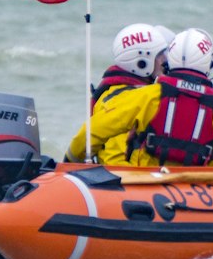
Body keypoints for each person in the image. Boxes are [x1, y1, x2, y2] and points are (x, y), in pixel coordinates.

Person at [81, 27, 213, 168]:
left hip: (145, 185)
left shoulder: (145, 97)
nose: (165, 62)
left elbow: (92, 135)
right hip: (172, 191)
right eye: (161, 56)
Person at [65, 22, 171, 163]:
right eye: (160, 56)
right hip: (123, 179)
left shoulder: (126, 91)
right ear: (141, 61)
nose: (165, 61)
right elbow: (114, 159)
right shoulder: (123, 99)